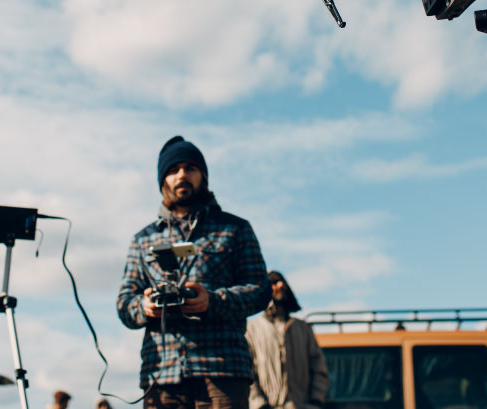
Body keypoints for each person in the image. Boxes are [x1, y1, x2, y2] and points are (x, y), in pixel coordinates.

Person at [117, 135, 271, 409]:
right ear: (163, 180)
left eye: (190, 168)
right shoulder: (143, 239)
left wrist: (213, 301)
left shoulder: (235, 229)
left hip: (222, 370)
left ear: (203, 175)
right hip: (162, 373)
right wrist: (145, 305)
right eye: (173, 170)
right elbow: (124, 304)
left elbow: (260, 290)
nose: (182, 175)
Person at [246, 271, 329, 409]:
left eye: (282, 281)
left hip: (300, 406)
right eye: (274, 282)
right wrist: (259, 403)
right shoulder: (251, 330)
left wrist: (316, 401)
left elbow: (318, 366)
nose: (281, 285)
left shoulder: (302, 328)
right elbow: (247, 371)